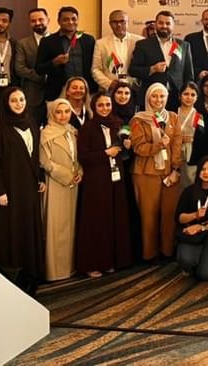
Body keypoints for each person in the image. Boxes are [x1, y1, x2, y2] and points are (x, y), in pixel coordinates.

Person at [0, 87, 45, 288]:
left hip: (28, 187)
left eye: (22, 99)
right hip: (8, 188)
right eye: (14, 100)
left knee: (27, 227)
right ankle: (11, 274)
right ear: (6, 103)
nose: (19, 103)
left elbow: (35, 155)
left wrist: (40, 178)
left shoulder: (31, 123)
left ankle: (30, 271)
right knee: (11, 229)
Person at [76, 91, 132, 278]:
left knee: (114, 217)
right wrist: (105, 153)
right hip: (96, 180)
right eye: (101, 105)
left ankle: (111, 261)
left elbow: (124, 154)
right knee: (97, 220)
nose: (105, 108)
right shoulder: (88, 128)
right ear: (94, 107)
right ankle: (93, 263)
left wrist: (127, 147)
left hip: (116, 177)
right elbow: (83, 156)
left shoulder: (118, 124)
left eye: (108, 104)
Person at [130, 83, 184, 262]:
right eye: (154, 96)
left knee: (169, 214)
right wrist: (158, 145)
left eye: (162, 96)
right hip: (146, 173)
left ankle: (167, 251)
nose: (158, 100)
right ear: (148, 98)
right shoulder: (138, 119)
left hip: (169, 173)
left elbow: (177, 145)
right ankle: (150, 253)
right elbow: (138, 147)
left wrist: (176, 169)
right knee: (149, 215)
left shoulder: (173, 117)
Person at [40, 99, 82, 281]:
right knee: (55, 228)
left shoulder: (72, 132)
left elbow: (78, 157)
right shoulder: (46, 134)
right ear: (52, 113)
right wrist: (67, 176)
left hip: (73, 185)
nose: (63, 115)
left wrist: (79, 172)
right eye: (59, 112)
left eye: (67, 111)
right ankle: (54, 271)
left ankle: (69, 267)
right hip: (55, 184)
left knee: (70, 227)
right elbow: (45, 162)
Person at [175, 155, 208, 280]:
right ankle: (197, 260)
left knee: (206, 275)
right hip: (192, 234)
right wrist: (195, 215)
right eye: (203, 169)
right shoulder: (189, 191)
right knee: (186, 260)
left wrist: (199, 227)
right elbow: (179, 217)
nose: (206, 172)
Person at [129, 10, 195, 111]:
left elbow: (188, 74)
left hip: (176, 98)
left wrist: (187, 95)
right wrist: (152, 69)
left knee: (173, 121)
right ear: (155, 24)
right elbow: (133, 70)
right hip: (152, 97)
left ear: (173, 25)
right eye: (161, 23)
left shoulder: (183, 45)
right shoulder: (143, 45)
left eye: (168, 23)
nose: (164, 26)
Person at [35, 5, 97, 103]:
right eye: (66, 20)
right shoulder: (48, 41)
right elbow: (39, 69)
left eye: (74, 19)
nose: (70, 22)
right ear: (59, 21)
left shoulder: (88, 40)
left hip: (85, 91)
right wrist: (55, 62)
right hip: (59, 91)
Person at [110, 82, 142, 262]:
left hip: (131, 166)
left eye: (126, 93)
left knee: (130, 207)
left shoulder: (135, 116)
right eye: (119, 93)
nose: (123, 96)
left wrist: (131, 146)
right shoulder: (108, 114)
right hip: (112, 167)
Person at [91, 9, 143, 93]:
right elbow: (95, 69)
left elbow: (143, 67)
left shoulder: (139, 41)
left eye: (122, 21)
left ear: (128, 22)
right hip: (109, 90)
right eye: (115, 22)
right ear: (110, 24)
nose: (119, 25)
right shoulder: (101, 43)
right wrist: (109, 83)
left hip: (134, 89)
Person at [14, 8, 49, 124]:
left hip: (56, 94)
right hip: (32, 95)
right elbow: (20, 68)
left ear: (48, 20)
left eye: (41, 19)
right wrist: (42, 77)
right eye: (33, 21)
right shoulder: (22, 43)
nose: (37, 23)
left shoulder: (58, 40)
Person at [176, 81, 202, 186]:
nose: (189, 97)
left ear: (197, 97)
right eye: (186, 94)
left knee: (190, 182)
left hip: (191, 152)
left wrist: (192, 139)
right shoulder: (173, 112)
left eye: (193, 95)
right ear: (180, 96)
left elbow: (202, 137)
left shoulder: (199, 116)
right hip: (175, 149)